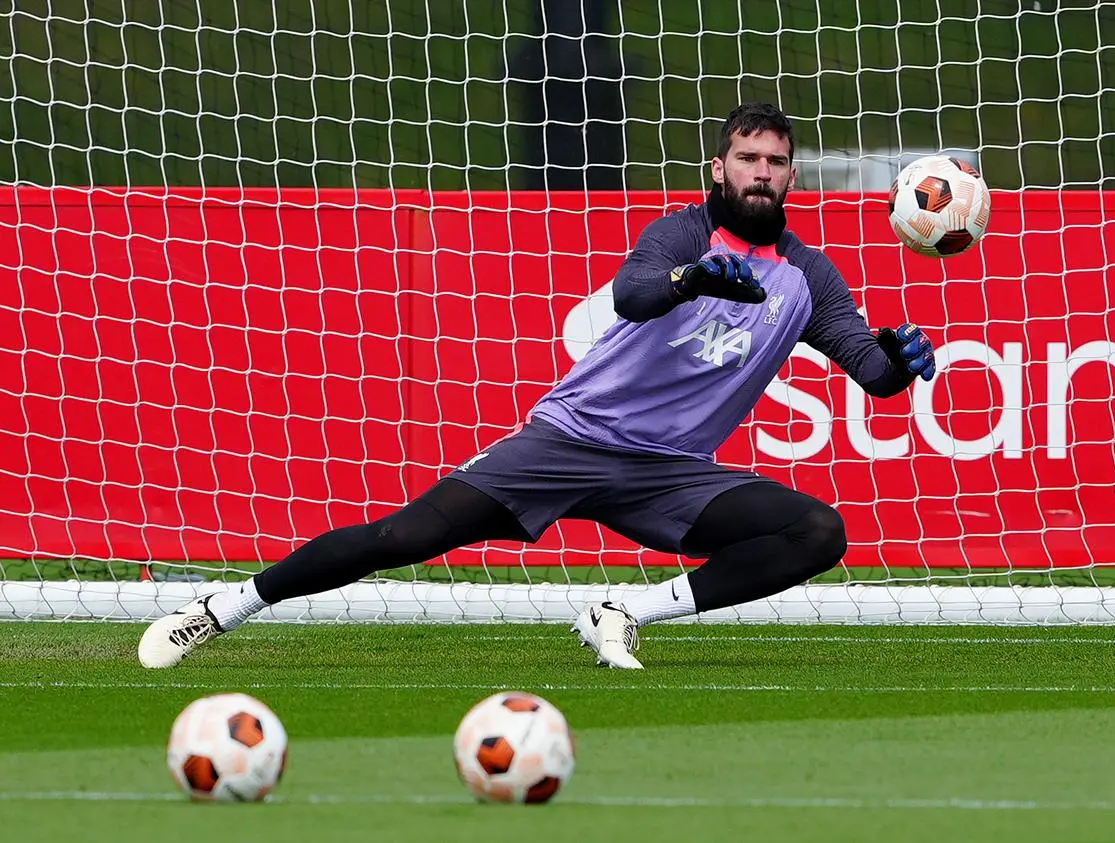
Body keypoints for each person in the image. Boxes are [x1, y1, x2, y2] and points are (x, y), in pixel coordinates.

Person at [138, 101, 936, 671]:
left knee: (817, 533)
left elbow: (869, 371)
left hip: (669, 476)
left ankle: (623, 611)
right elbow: (633, 292)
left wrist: (897, 358)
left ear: (792, 174)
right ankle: (220, 609)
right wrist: (694, 278)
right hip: (570, 440)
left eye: (774, 161)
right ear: (719, 168)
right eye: (747, 158)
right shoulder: (684, 232)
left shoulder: (808, 276)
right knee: (402, 539)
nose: (761, 172)